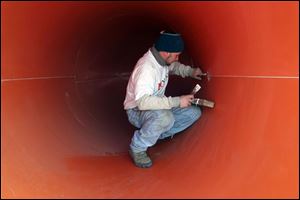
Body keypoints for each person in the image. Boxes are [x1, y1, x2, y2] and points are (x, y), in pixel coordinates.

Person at [123, 30, 204, 168]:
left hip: (157, 106)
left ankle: (155, 133)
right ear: (166, 53)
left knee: (193, 113)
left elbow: (174, 67)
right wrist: (177, 101)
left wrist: (191, 72)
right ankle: (137, 148)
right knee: (165, 118)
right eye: (177, 55)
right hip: (137, 110)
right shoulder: (147, 69)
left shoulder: (162, 60)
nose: (178, 58)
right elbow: (143, 102)